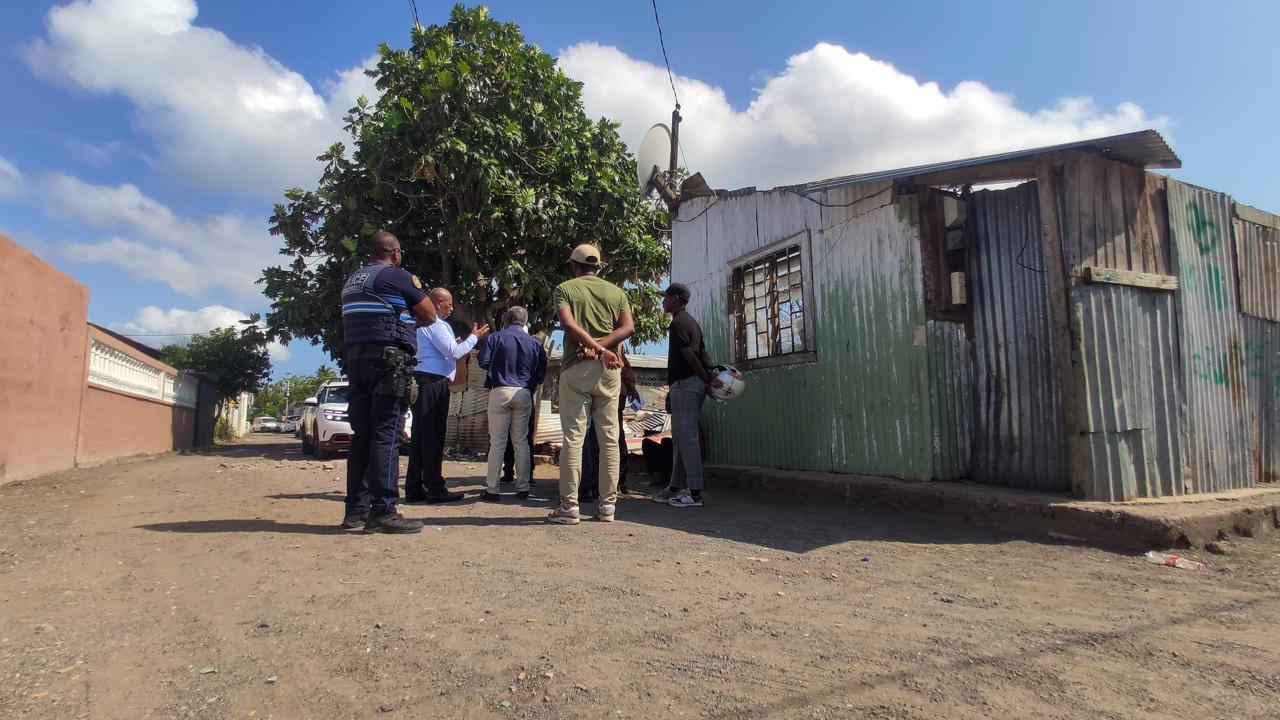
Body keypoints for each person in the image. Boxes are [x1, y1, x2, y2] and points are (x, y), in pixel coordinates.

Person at [340, 230, 438, 534]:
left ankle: (355, 510)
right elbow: (431, 315)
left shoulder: (353, 280)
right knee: (387, 435)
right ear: (395, 253)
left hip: (357, 363)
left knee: (363, 436)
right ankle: (383, 510)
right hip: (388, 364)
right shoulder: (395, 276)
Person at [548, 244, 634, 524]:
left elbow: (567, 324)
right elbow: (627, 328)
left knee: (574, 438)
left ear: (574, 266)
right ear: (599, 267)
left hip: (577, 368)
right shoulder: (617, 293)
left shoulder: (565, 289)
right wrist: (604, 349)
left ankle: (569, 508)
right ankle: (607, 507)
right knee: (609, 439)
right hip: (610, 370)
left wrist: (593, 348)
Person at [404, 288, 489, 503]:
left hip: (423, 381)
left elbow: (446, 350)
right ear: (438, 302)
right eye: (448, 304)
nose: (451, 309)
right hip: (433, 382)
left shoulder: (421, 324)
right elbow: (454, 352)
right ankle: (435, 488)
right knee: (433, 436)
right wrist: (473, 338)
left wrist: (457, 344)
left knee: (421, 437)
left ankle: (415, 487)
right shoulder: (435, 324)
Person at [653, 283, 722, 508]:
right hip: (687, 385)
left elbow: (690, 356)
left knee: (688, 437)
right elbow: (702, 353)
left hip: (687, 384)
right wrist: (708, 376)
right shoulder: (691, 323)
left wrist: (704, 377)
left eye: (665, 297)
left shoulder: (679, 323)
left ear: (675, 298)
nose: (663, 301)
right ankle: (674, 486)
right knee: (680, 439)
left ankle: (694, 493)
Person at [477, 306, 547, 501]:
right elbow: (542, 371)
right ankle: (523, 488)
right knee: (521, 441)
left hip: (500, 390)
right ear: (525, 322)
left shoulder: (495, 338)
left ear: (506, 320)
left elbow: (482, 362)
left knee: (497, 441)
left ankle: (492, 490)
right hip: (524, 392)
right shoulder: (535, 343)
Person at [581, 349, 640, 499]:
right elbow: (625, 366)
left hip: (598, 389)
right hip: (613, 391)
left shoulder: (588, 339)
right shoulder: (616, 339)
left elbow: (624, 366)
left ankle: (593, 486)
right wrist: (631, 386)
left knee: (592, 439)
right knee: (611, 438)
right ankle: (612, 486)